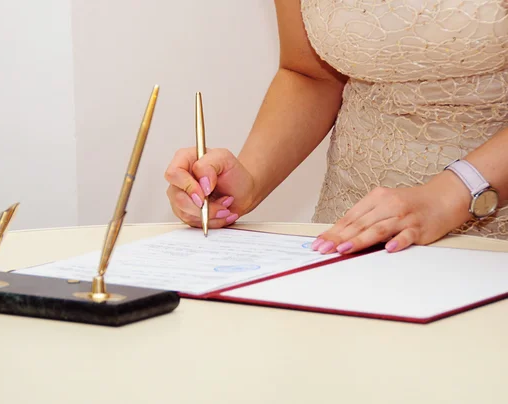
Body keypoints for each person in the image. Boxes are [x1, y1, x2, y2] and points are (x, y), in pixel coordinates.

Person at [164, 0, 508, 255]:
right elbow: (311, 74)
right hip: (349, 228)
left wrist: (452, 194)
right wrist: (247, 182)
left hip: (493, 228)